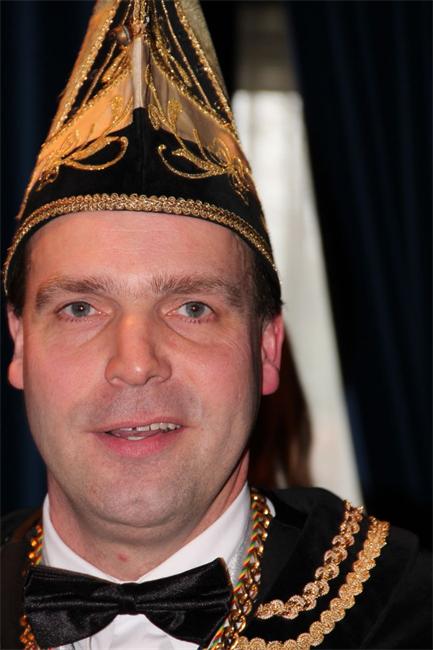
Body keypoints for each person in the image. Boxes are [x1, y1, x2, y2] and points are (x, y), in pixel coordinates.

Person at [1, 1, 431, 649]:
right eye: (80, 308)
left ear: (267, 348)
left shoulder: (409, 612)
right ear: (19, 344)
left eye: (192, 308)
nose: (135, 363)